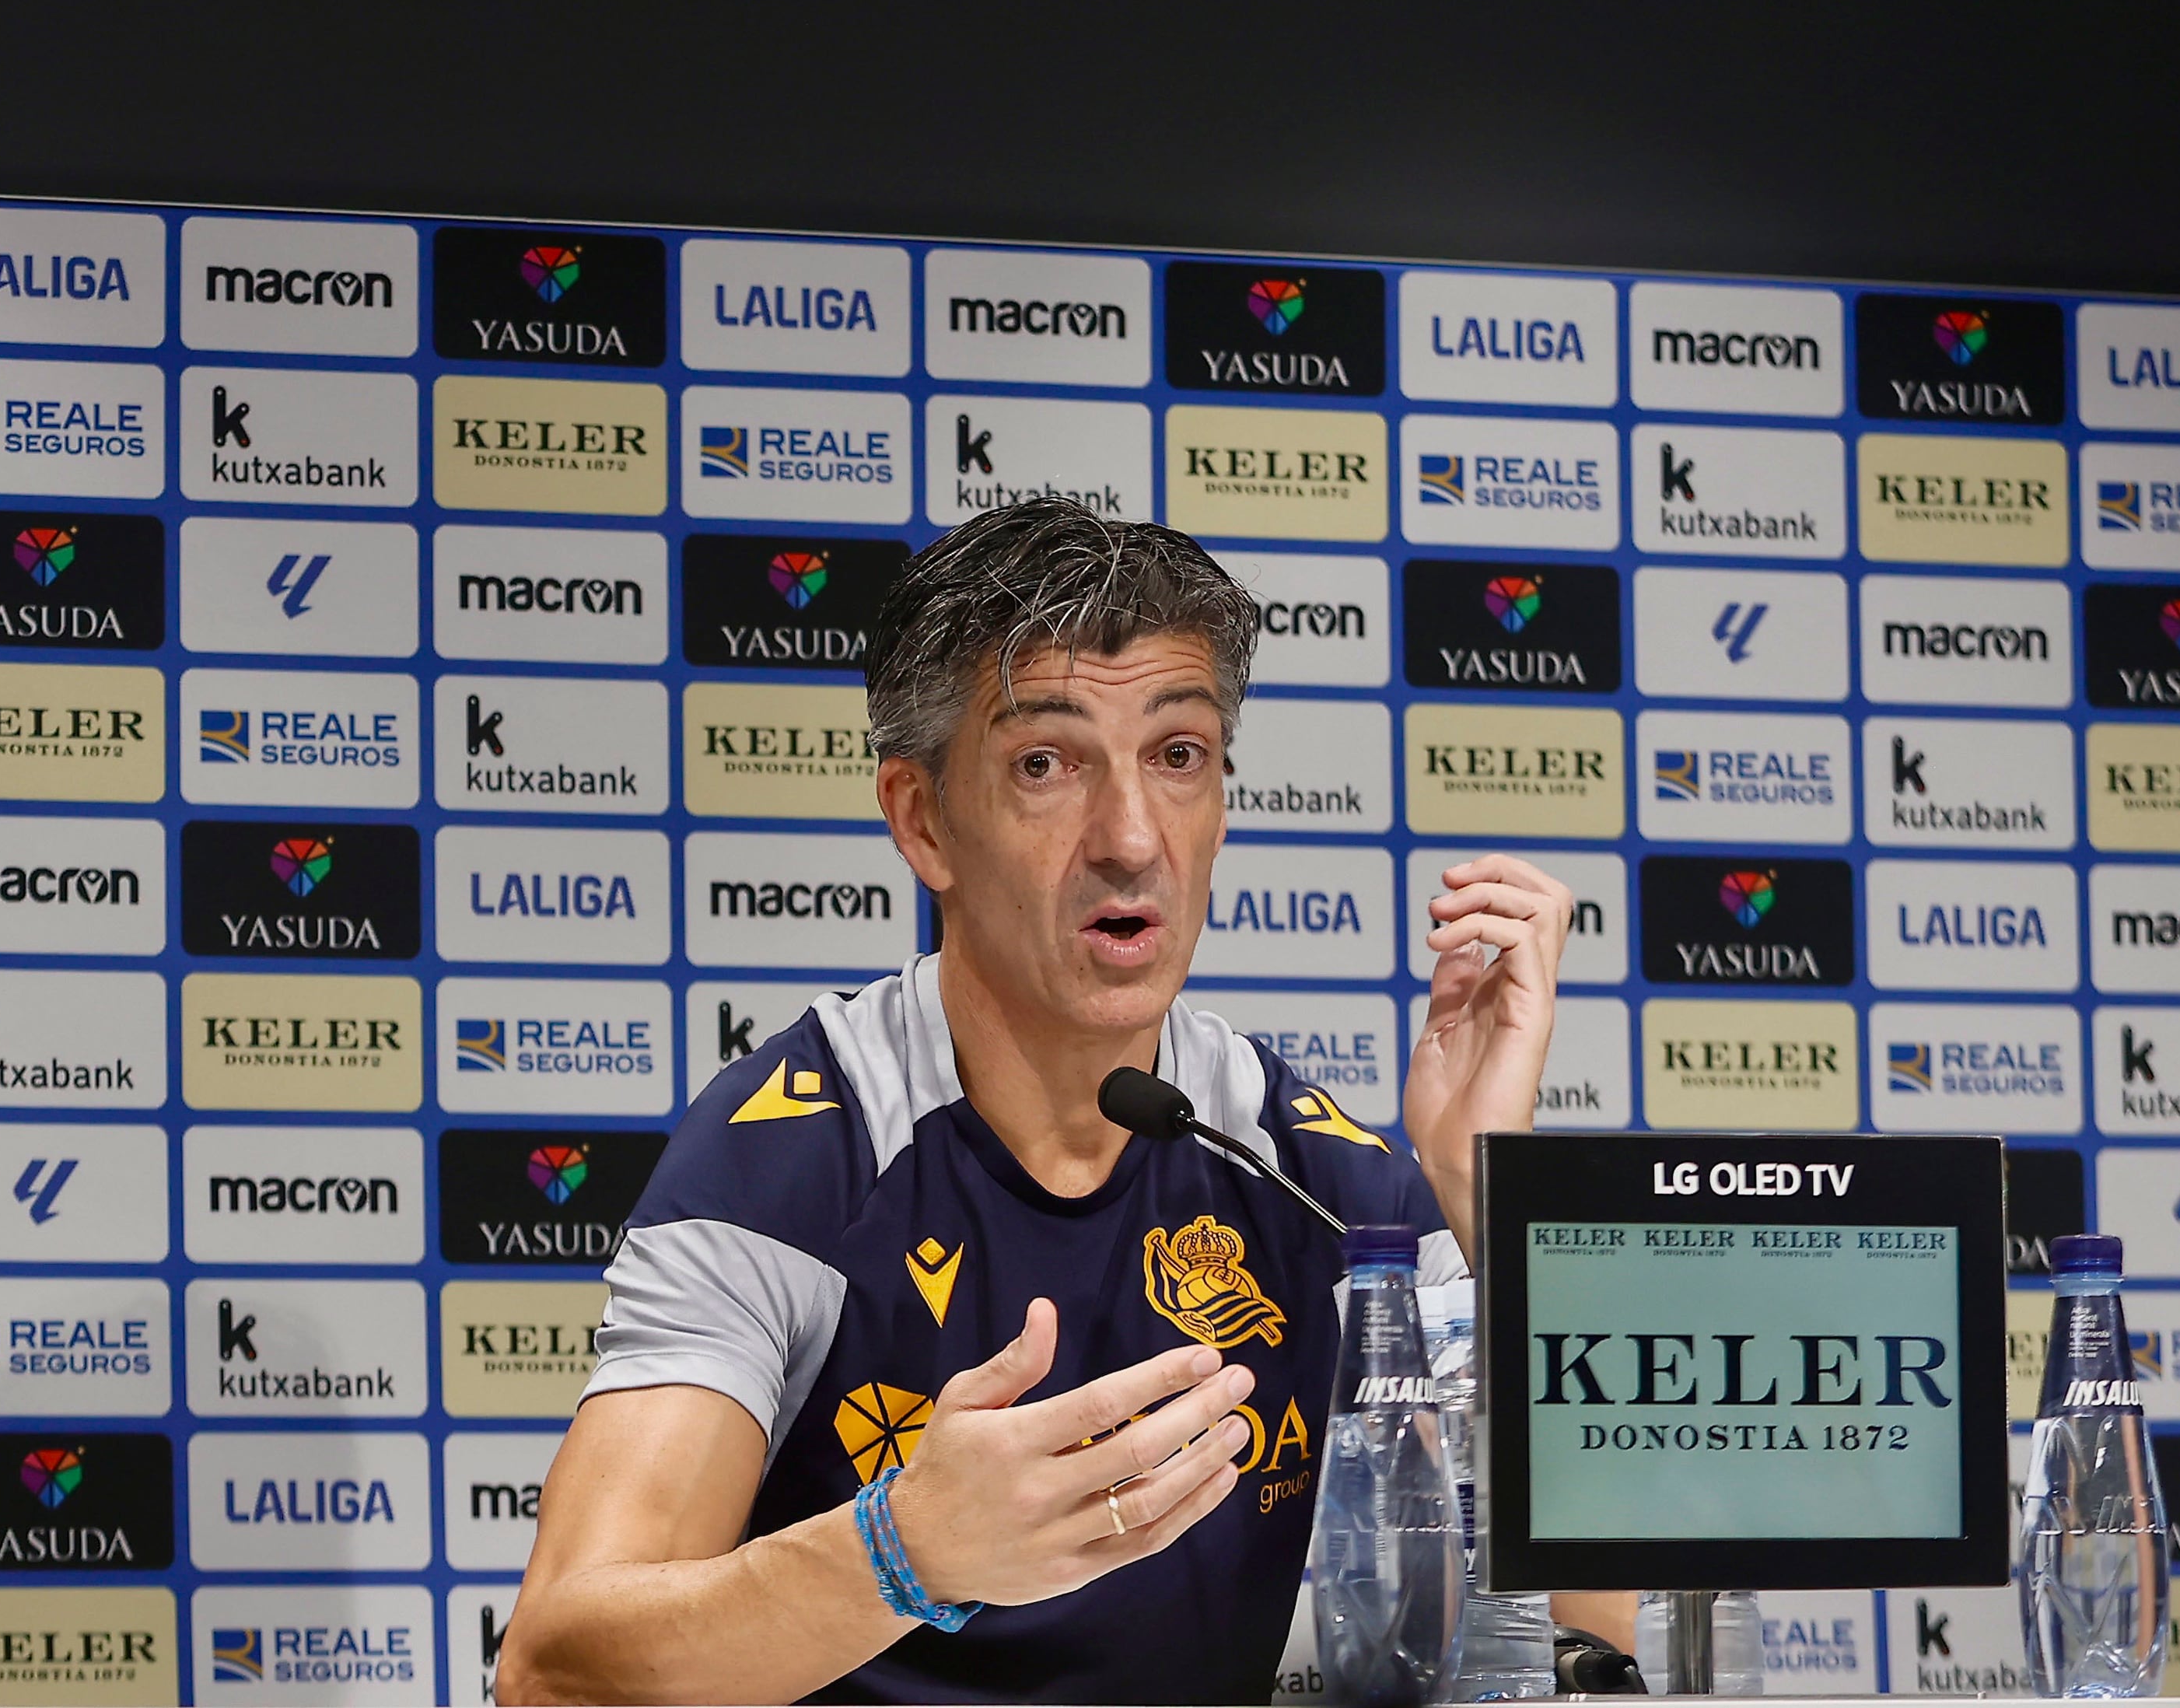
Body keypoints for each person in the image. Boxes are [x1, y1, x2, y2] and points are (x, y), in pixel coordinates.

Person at [495, 499, 1572, 1706]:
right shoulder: (791, 1159)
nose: (1130, 838)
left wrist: (1483, 1190)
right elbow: (553, 1672)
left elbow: (1619, 1605)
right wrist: (902, 1555)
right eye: (1047, 764)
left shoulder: (1304, 1171)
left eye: (1179, 756)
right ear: (922, 819)